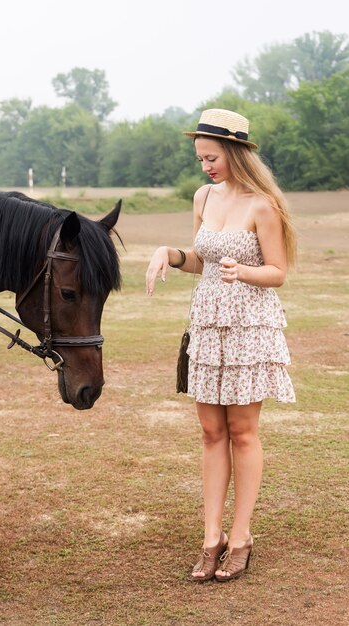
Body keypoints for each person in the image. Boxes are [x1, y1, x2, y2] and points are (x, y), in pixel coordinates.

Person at [145, 108, 296, 582]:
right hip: (208, 324)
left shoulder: (262, 205)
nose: (206, 166)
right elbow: (200, 260)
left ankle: (242, 534)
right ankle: (212, 536)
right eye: (200, 159)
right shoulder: (204, 196)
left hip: (251, 326)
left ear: (234, 152)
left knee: (243, 432)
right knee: (211, 432)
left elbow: (278, 272)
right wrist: (167, 253)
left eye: (212, 157)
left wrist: (244, 272)